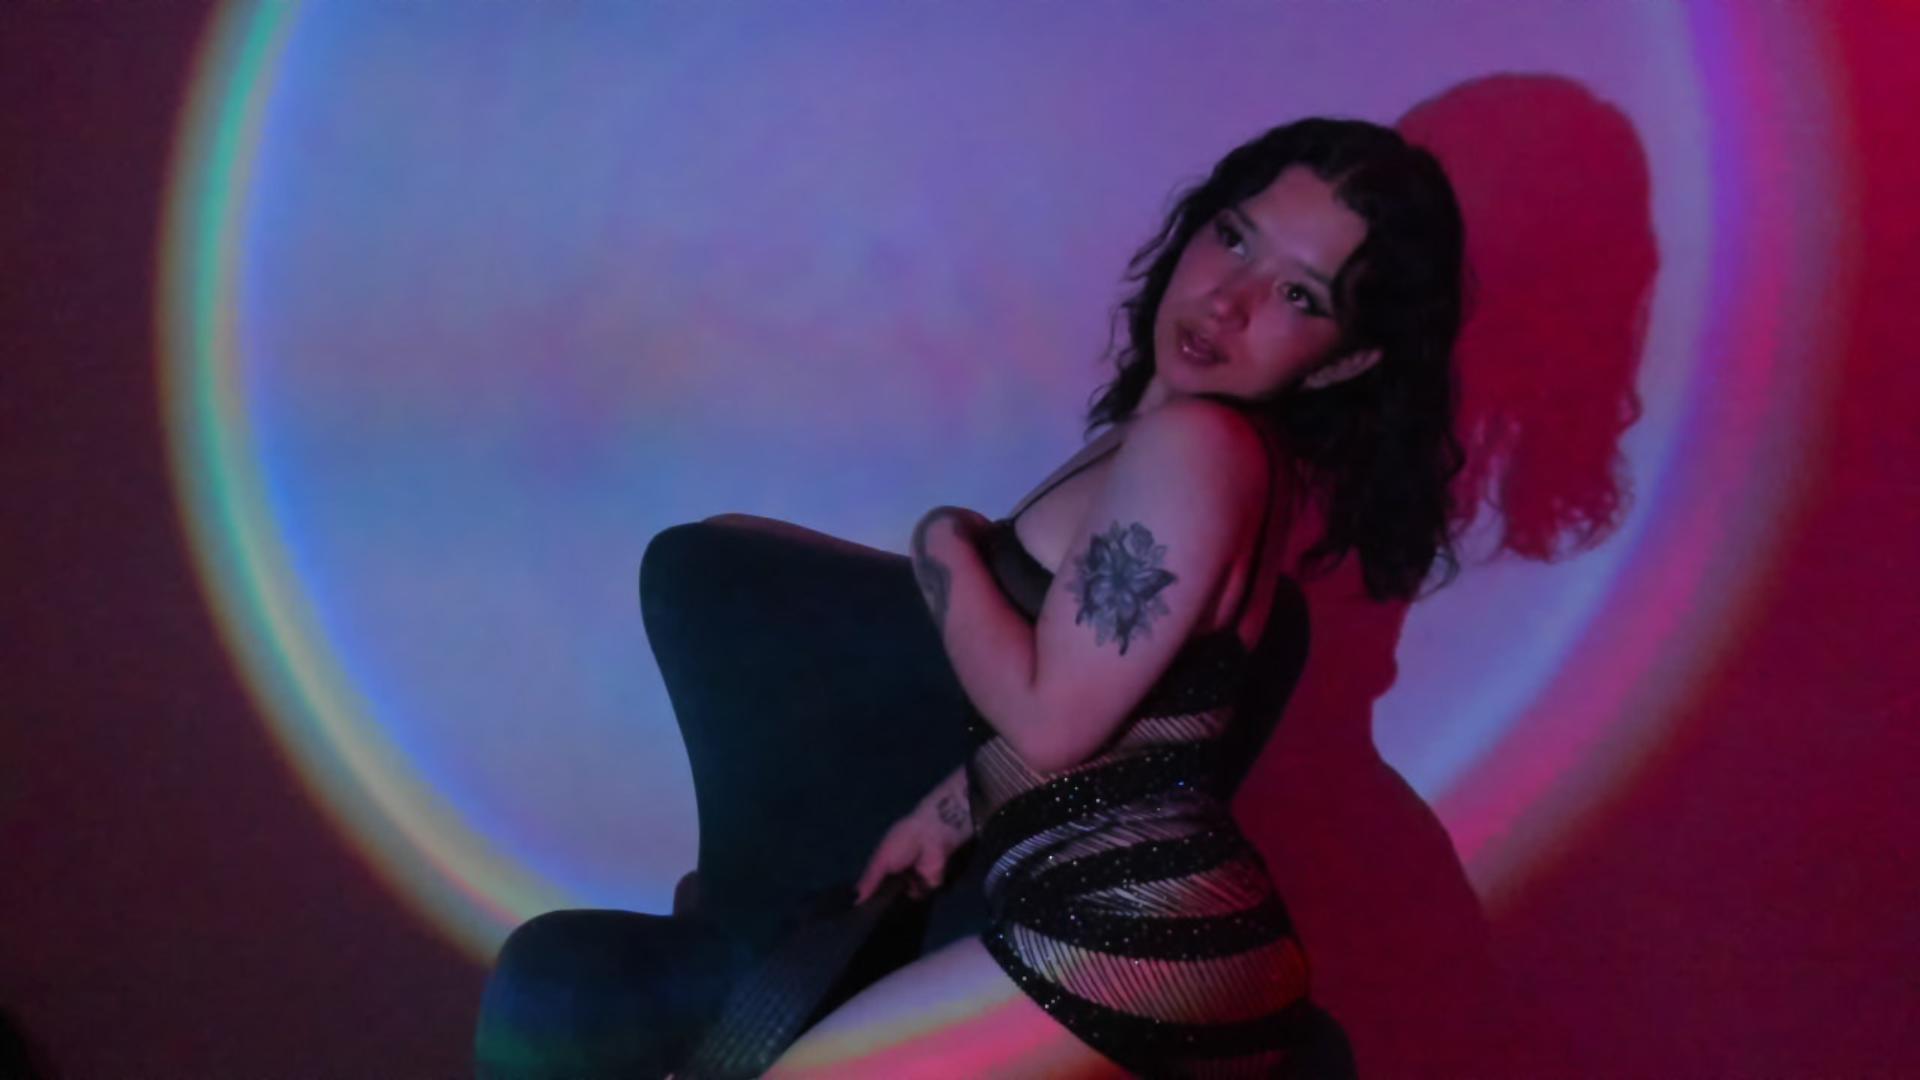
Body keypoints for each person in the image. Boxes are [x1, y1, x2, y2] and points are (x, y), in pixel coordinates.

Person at [765, 117, 1467, 1078]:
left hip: (1131, 946)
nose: (1227, 300)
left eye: (1298, 294)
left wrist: (942, 544)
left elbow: (1054, 725)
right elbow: (1129, 721)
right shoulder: (1185, 448)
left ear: (1345, 359)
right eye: (1234, 238)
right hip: (1162, 946)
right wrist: (945, 816)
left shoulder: (1200, 449)